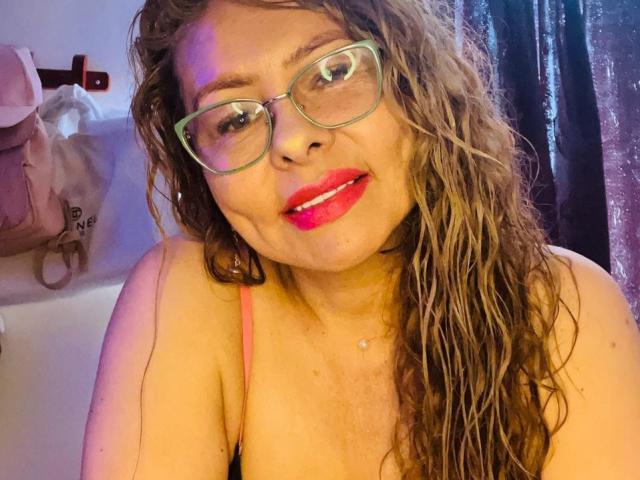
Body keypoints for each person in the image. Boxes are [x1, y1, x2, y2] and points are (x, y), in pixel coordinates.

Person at [79, 0, 640, 479]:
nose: (292, 141)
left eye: (333, 72)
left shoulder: (567, 311)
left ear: (413, 81)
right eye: (233, 120)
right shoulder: (184, 295)